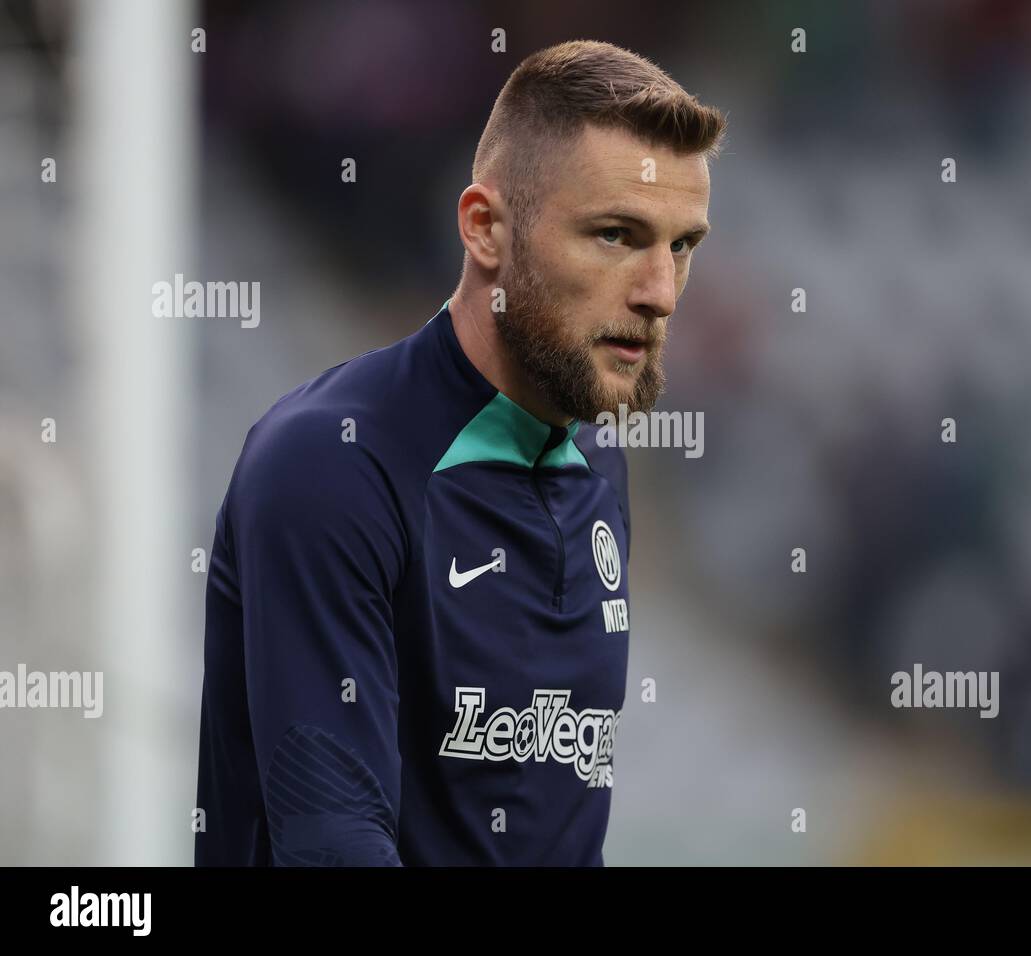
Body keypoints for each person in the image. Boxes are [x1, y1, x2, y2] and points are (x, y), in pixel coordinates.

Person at [195, 39, 725, 865]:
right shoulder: (332, 466)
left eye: (681, 245)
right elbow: (334, 847)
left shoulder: (597, 465)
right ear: (484, 229)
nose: (659, 290)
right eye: (617, 236)